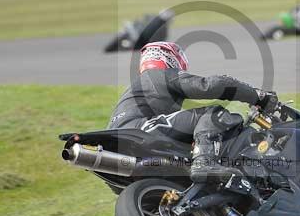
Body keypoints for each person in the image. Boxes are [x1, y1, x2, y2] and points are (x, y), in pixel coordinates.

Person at [108, 42, 278, 182]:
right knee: (213, 114)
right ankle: (204, 162)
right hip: (137, 131)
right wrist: (258, 96)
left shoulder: (136, 87)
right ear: (168, 57)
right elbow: (211, 86)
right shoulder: (159, 74)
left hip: (120, 149)